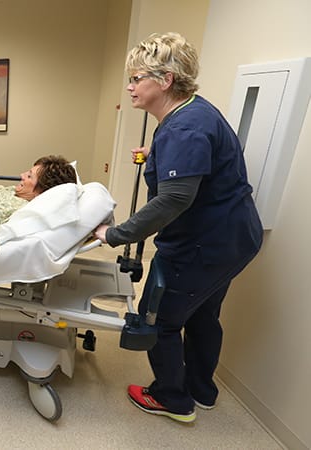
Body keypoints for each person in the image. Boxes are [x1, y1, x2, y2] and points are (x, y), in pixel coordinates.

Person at [93, 32, 263, 423]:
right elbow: (199, 162)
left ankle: (173, 398)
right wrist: (159, 153)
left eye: (137, 78)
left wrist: (116, 235)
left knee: (164, 321)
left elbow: (174, 199)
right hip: (234, 239)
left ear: (165, 80)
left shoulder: (181, 130)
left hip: (204, 245)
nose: (130, 86)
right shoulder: (194, 112)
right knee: (203, 315)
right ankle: (202, 390)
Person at [0, 155, 77, 257]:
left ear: (41, 191)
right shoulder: (18, 193)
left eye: (29, 176)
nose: (21, 175)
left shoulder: (8, 208)